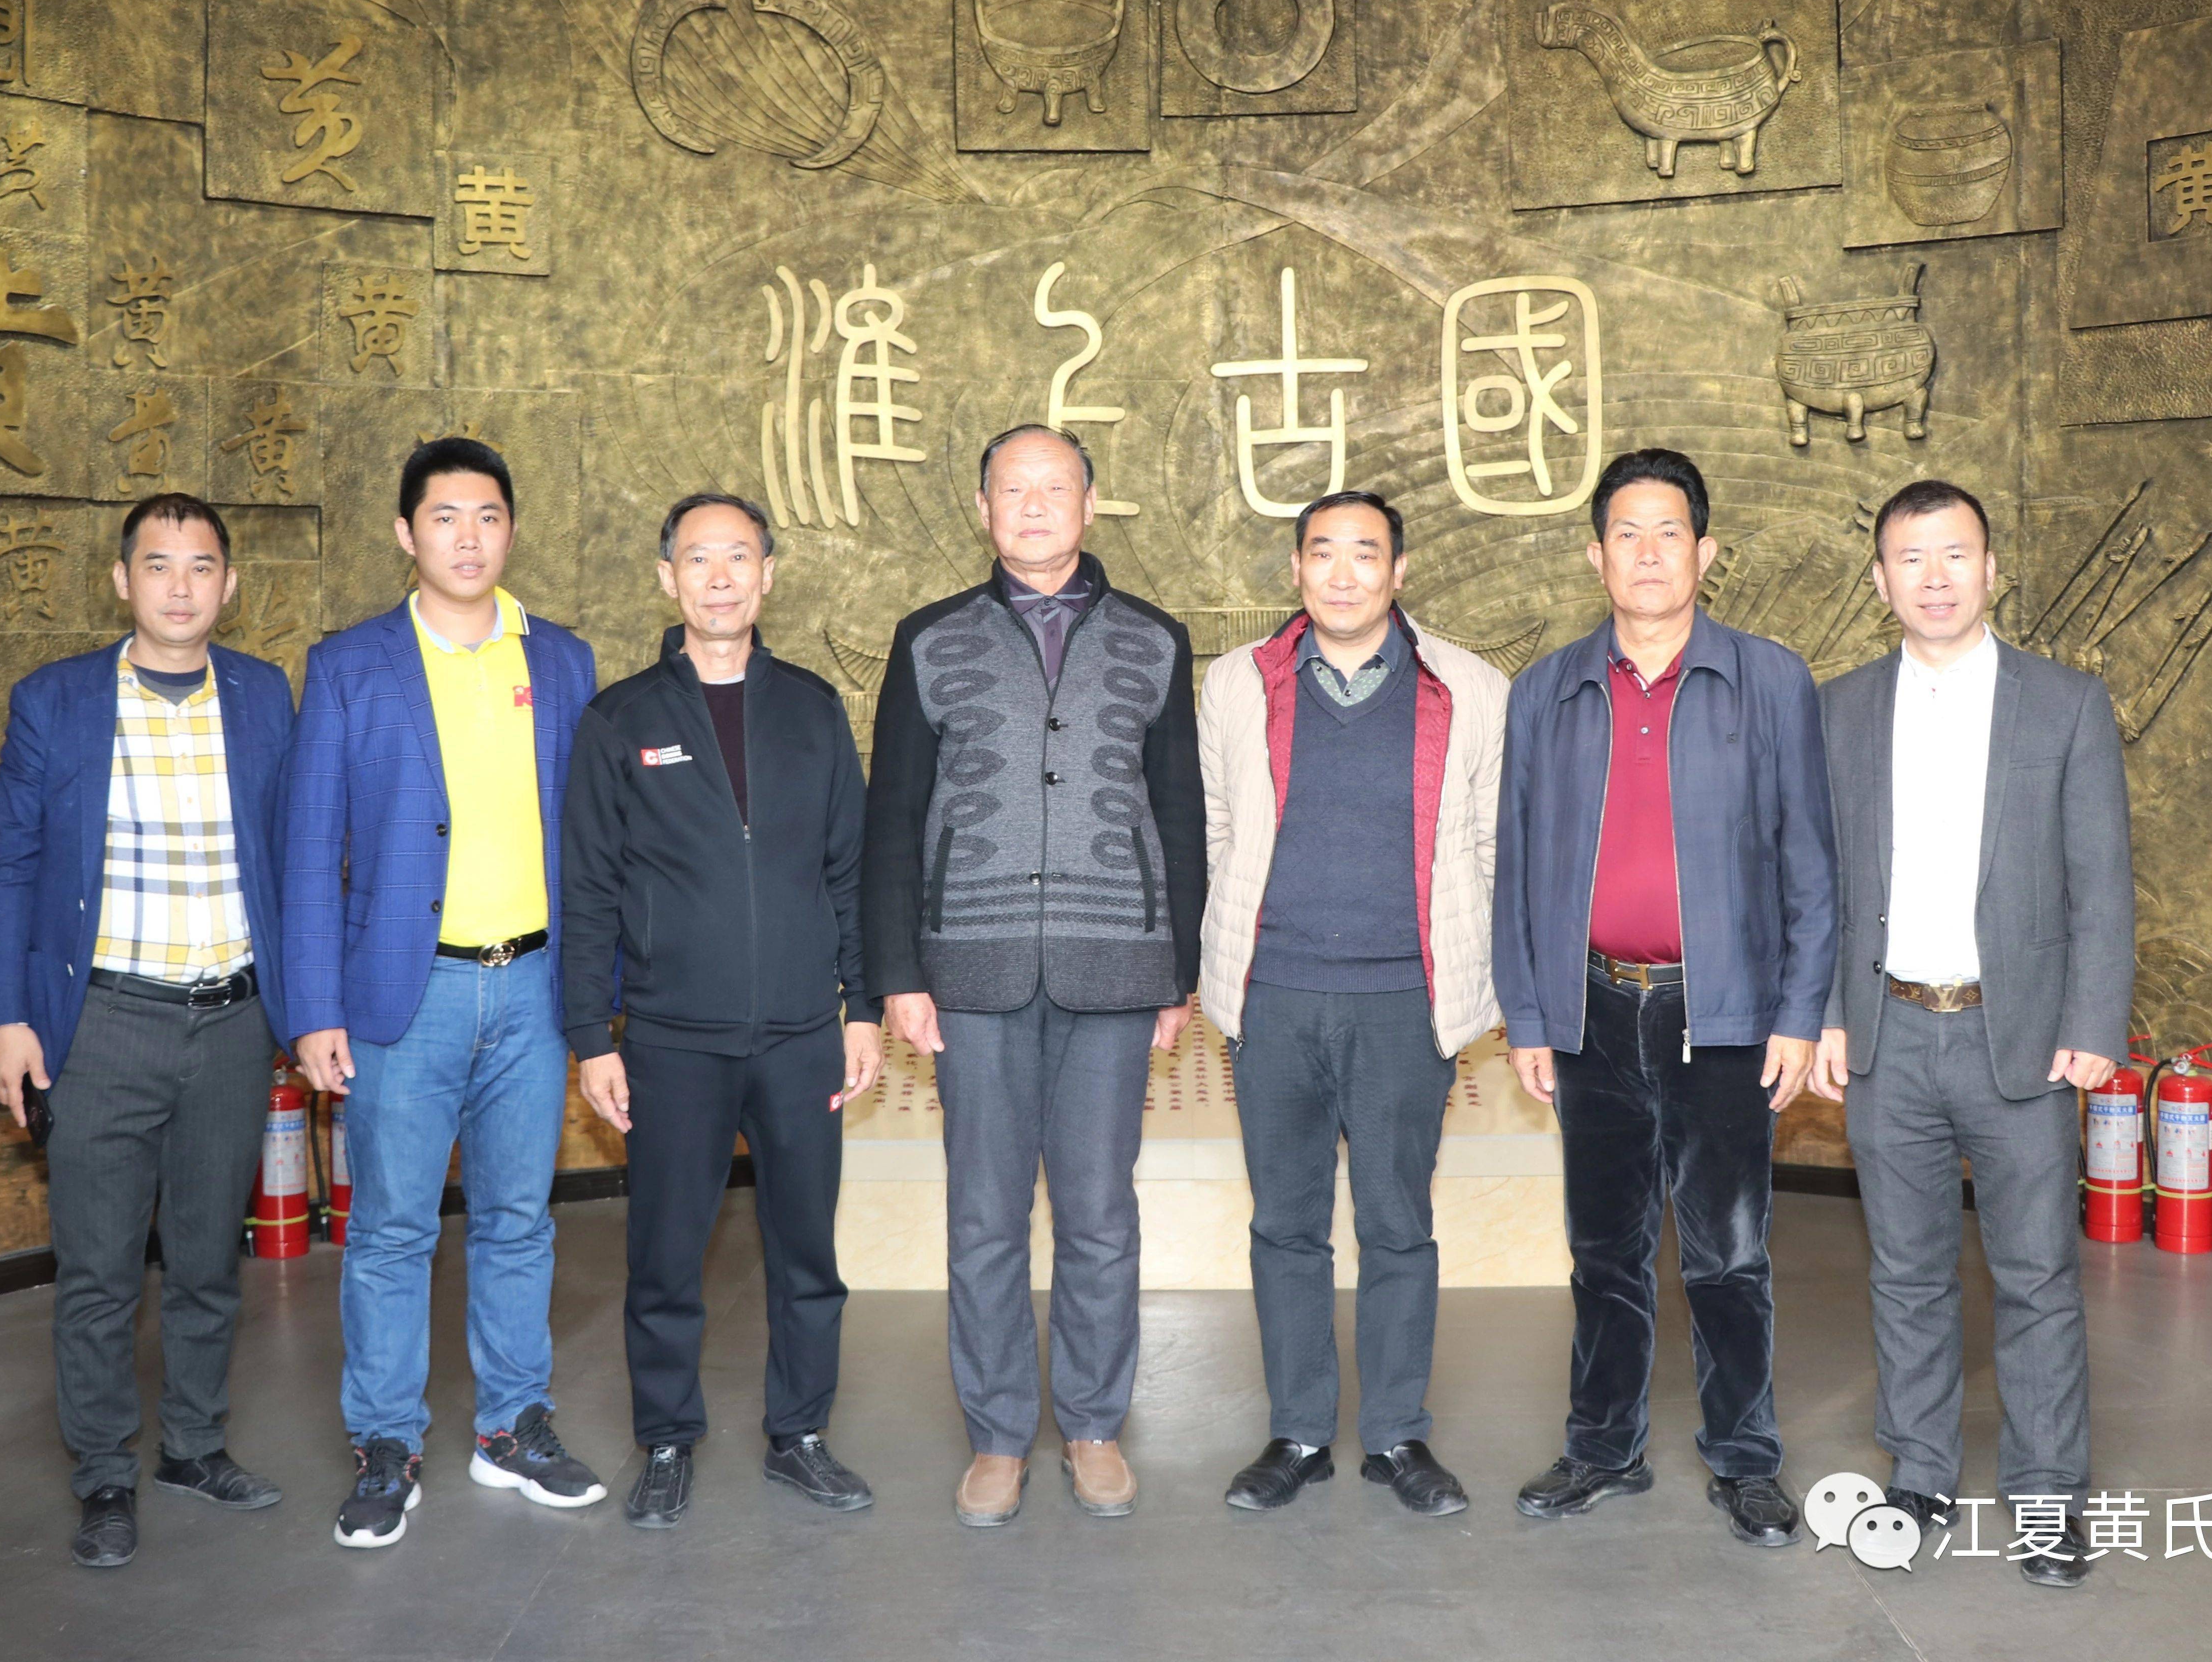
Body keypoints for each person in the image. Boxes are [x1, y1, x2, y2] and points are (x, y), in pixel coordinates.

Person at [1491, 447, 1837, 1547]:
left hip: (1725, 1016)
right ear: (1596, 554)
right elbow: (1518, 865)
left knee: (1726, 1253)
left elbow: (1811, 863)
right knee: (1605, 1248)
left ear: (1707, 550)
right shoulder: (1548, 688)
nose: (1648, 552)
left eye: (1670, 531)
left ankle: (1745, 1460)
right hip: (1592, 1009)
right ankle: (1604, 1447)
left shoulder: (1770, 678)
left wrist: (1799, 1008)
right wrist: (1532, 1013)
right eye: (1626, 533)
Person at [865, 424, 1206, 1527]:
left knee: (1102, 1210)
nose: (1034, 505)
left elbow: (1181, 813)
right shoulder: (930, 639)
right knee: (984, 1214)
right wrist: (898, 972)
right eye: (1013, 489)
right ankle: (1001, 1433)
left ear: (1091, 504)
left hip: (1117, 963)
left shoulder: (1156, 639)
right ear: (983, 508)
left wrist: (1178, 967)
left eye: (1054, 487)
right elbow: (893, 818)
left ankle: (1096, 1426)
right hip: (973, 964)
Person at [281, 437, 605, 1548]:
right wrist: (315, 1009)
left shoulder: (561, 659)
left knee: (520, 1220)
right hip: (400, 997)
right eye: (446, 517)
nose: (469, 537)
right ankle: (387, 1441)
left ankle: (512, 1425)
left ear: (512, 528)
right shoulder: (350, 664)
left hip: (532, 987)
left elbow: (594, 844)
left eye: (489, 516)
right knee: (391, 1231)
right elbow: (310, 845)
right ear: (406, 534)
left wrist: (595, 996)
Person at [1811, 480, 2134, 1588]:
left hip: (2024, 1039)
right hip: (1889, 1035)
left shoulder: (2066, 704)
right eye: (1911, 557)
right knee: (1905, 1269)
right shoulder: (1840, 708)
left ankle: (2048, 1495)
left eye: (1956, 554)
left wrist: (2095, 1022)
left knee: (2037, 1271)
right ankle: (1922, 1471)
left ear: (1992, 568)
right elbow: (1819, 881)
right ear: (1880, 580)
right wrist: (1823, 1013)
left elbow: (2103, 882)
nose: (1935, 575)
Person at [0, 493, 297, 1568]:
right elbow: (11, 866)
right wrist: (9, 1016)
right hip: (102, 1021)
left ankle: (195, 1444)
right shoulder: (56, 700)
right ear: (122, 580)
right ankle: (106, 1470)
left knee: (210, 1256)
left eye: (201, 566)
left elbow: (292, 855)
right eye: (157, 565)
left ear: (228, 584)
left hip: (233, 1020)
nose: (178, 585)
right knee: (102, 1267)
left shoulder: (263, 694)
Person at [561, 492, 885, 1529]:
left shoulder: (813, 707)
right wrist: (588, 1038)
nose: (718, 576)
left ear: (767, 573)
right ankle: (666, 1437)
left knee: (807, 1254)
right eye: (697, 558)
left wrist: (863, 1007)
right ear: (667, 577)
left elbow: (851, 869)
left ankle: (800, 1433)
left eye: (737, 556)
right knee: (664, 1255)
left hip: (800, 1035)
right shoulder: (623, 717)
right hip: (670, 1039)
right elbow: (591, 889)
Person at [1197, 490, 1508, 1518]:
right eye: (1321, 552)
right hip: (1274, 994)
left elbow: (1492, 848)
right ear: (1295, 569)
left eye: (1364, 553)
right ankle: (1296, 1432)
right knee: (1286, 1224)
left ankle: (1397, 1436)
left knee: (1397, 1223)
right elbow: (1214, 825)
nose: (1342, 571)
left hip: (1402, 999)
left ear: (1398, 572)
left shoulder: (1468, 687)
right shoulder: (1239, 682)